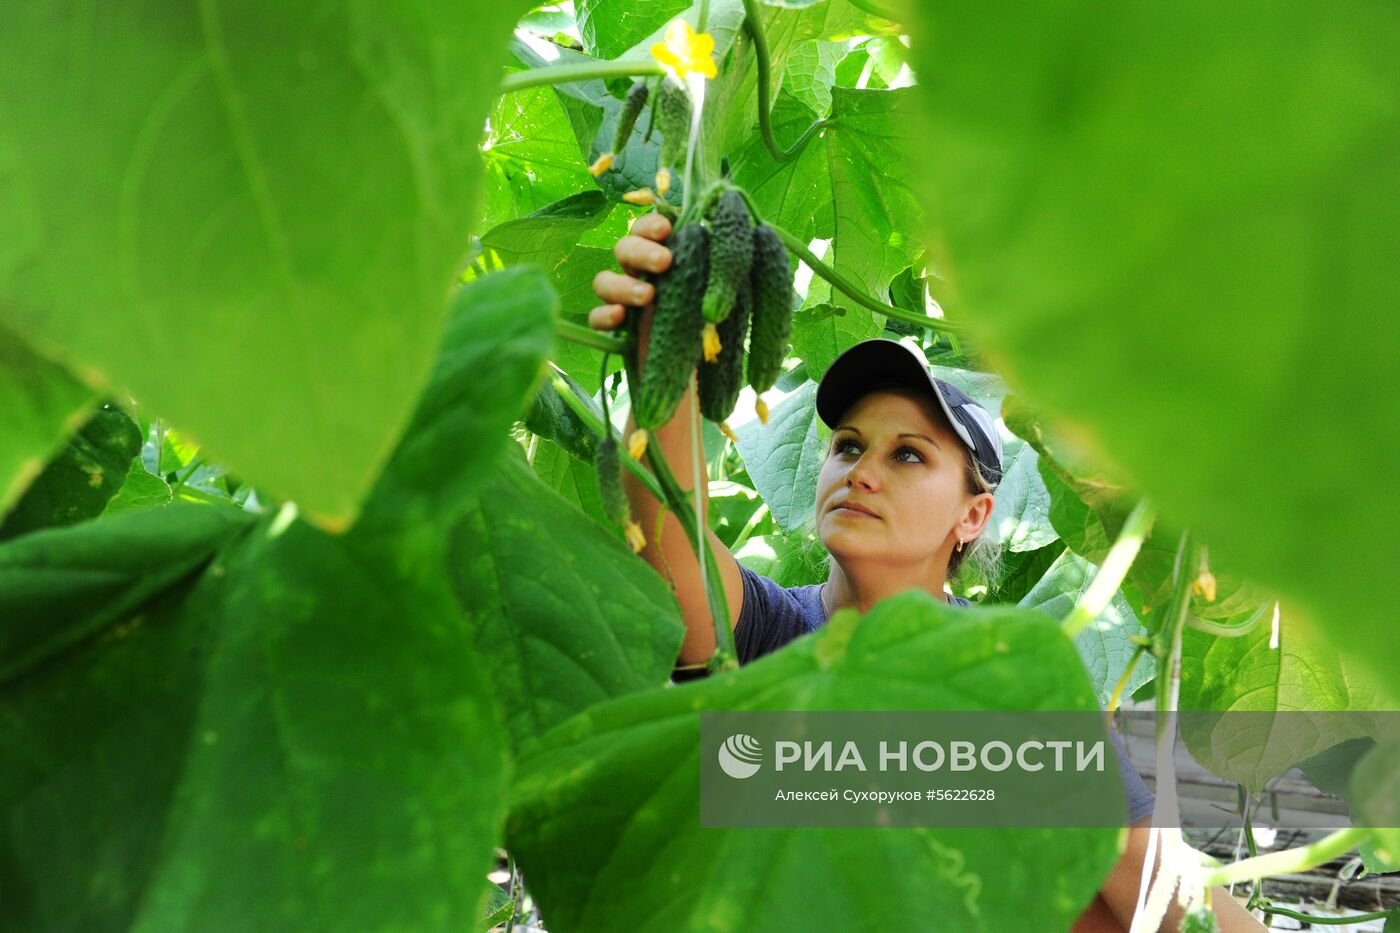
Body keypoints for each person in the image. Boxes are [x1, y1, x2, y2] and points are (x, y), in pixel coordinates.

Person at [589, 212, 1266, 933]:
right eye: (847, 447)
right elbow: (666, 519)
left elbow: (1152, 886)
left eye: (907, 454)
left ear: (973, 516)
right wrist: (661, 341)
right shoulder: (768, 633)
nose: (862, 472)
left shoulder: (1013, 679)